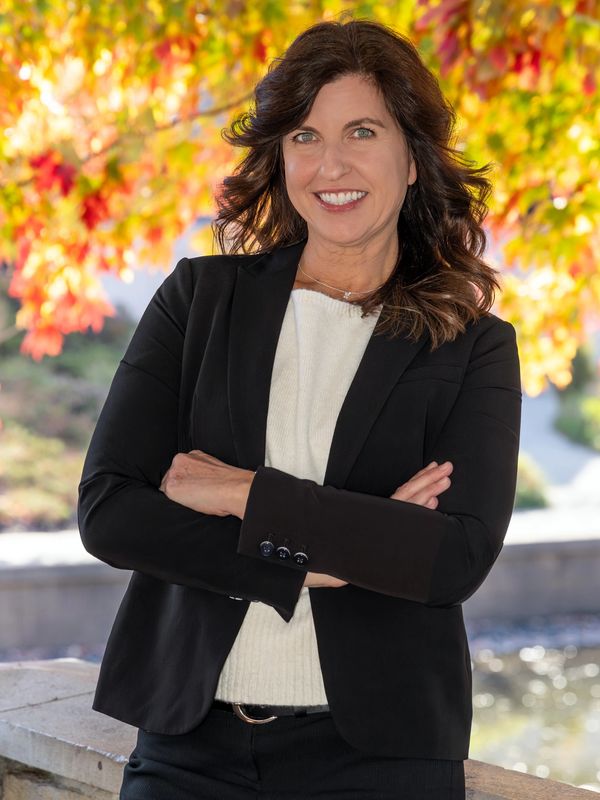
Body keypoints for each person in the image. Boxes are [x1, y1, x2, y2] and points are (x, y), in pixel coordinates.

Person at [78, 16, 522, 800]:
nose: (332, 164)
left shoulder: (471, 345)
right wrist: (331, 555)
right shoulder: (199, 300)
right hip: (187, 745)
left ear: (414, 159)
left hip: (382, 757)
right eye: (304, 137)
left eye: (361, 131)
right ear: (278, 156)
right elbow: (111, 511)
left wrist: (242, 495)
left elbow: (452, 560)